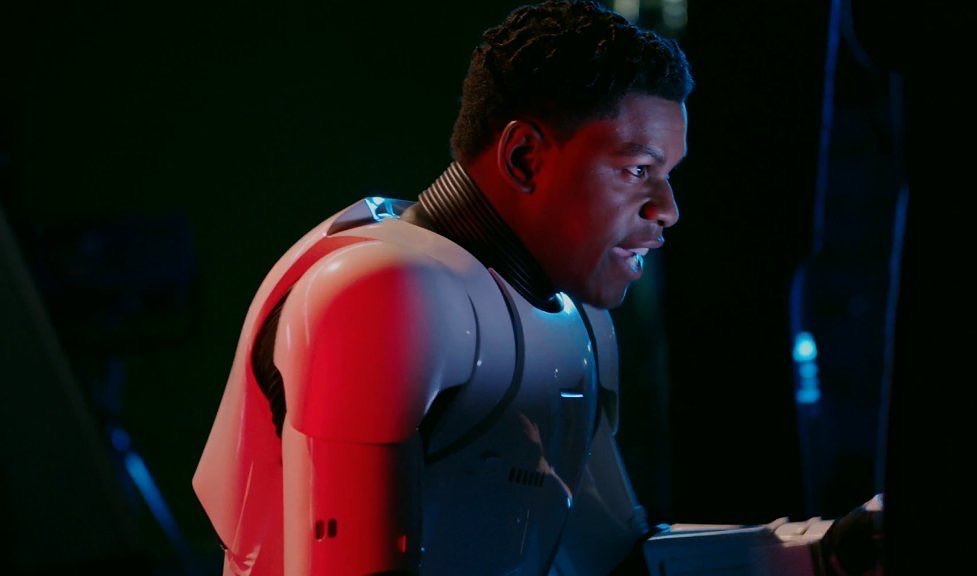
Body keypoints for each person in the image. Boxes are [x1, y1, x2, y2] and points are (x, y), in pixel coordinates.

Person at [193, 1, 692, 574]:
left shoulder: (576, 317)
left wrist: (779, 552)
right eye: (637, 170)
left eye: (667, 175)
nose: (667, 209)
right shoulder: (379, 291)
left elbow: (611, 556)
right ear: (524, 158)